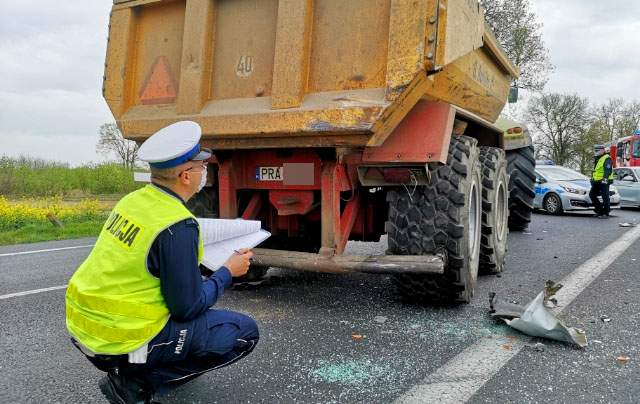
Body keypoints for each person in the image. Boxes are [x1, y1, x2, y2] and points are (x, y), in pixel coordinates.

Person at [65, 121, 258, 403]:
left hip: (85, 328)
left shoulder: (133, 201)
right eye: (200, 165)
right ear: (185, 176)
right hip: (121, 342)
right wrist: (228, 272)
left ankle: (137, 369)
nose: (204, 171)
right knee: (243, 333)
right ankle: (135, 383)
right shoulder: (177, 224)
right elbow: (187, 308)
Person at [589, 144, 614, 218]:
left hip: (604, 180)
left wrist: (605, 180)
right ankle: (600, 211)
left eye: (597, 150)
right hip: (597, 181)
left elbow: (608, 170)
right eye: (595, 150)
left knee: (605, 196)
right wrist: (592, 179)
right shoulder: (598, 158)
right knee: (592, 194)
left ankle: (606, 213)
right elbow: (596, 171)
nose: (596, 152)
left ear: (603, 150)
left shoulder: (607, 158)